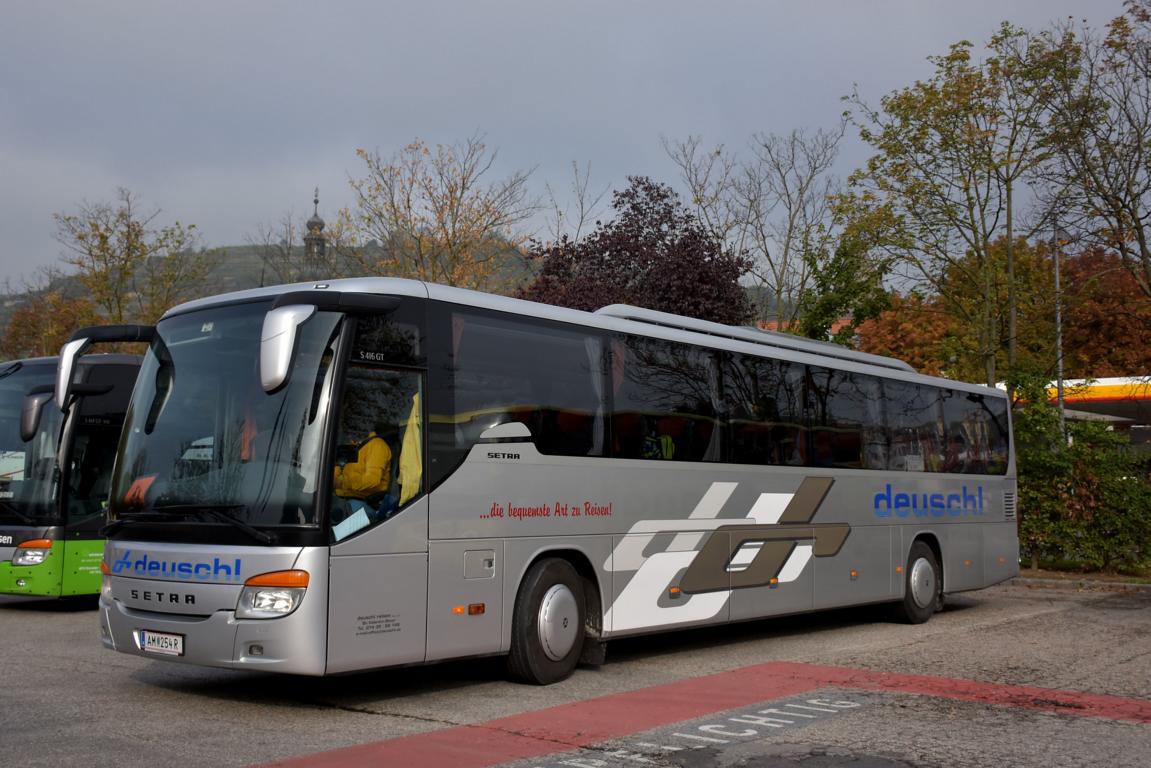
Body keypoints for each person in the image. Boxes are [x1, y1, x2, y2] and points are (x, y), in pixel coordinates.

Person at [333, 421, 393, 500]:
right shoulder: (355, 445)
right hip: (340, 496)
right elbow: (341, 468)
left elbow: (372, 480)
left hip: (361, 501)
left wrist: (342, 483)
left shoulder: (377, 446)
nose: (345, 432)